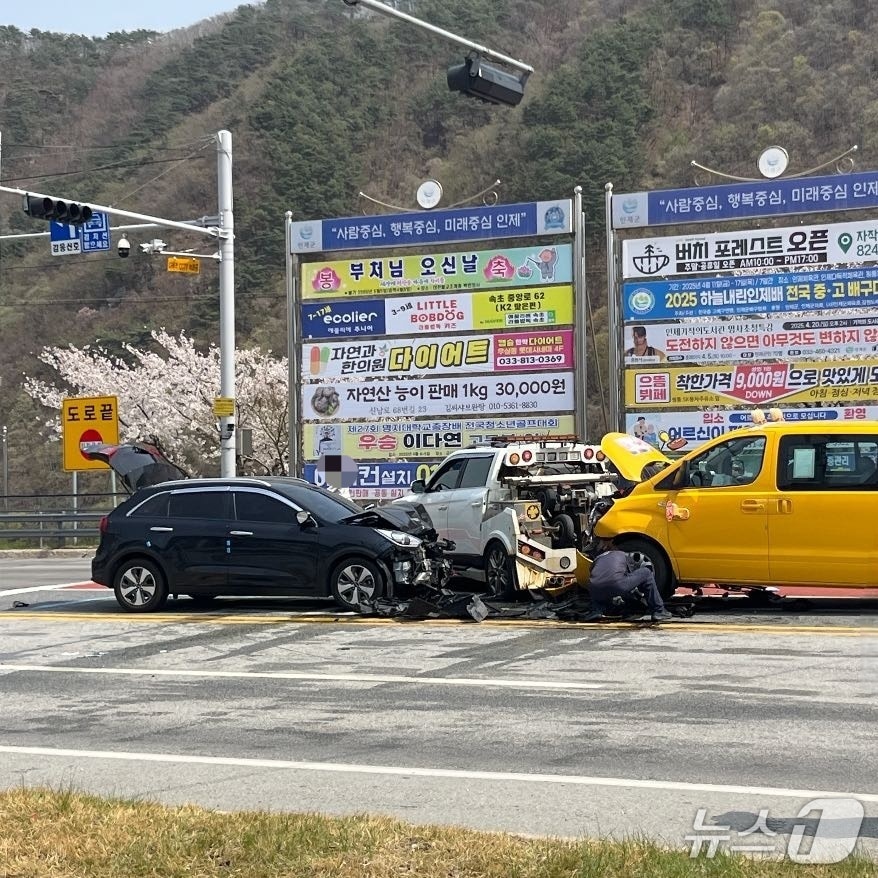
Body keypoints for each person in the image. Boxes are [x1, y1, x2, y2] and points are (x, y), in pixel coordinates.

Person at [587, 537, 673, 621]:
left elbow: (592, 572)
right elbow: (632, 576)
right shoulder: (623, 555)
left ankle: (596, 610)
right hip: (617, 585)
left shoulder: (598, 558)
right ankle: (659, 610)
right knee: (646, 573)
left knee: (597, 582)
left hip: (594, 588)